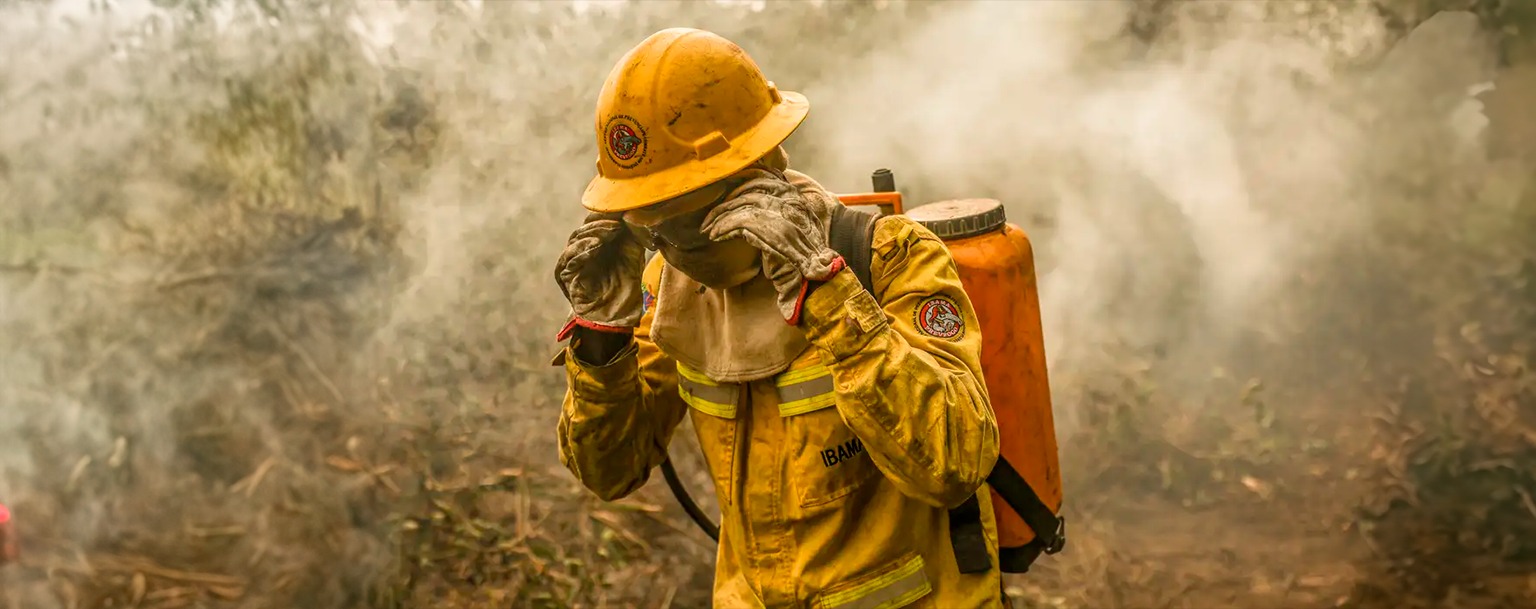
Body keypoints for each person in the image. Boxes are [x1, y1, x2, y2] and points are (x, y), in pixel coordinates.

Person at [553, 27, 1007, 609]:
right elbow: (609, 471)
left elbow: (955, 462)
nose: (668, 244)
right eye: (647, 224)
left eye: (682, 215)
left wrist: (829, 296)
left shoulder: (889, 258)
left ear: (755, 172)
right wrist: (601, 340)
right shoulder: (668, 291)